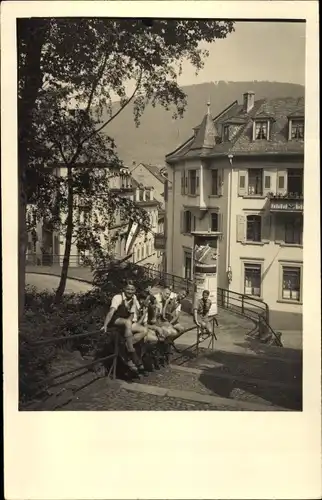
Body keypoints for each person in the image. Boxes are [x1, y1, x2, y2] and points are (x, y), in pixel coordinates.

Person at [101, 281, 147, 373]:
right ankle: (131, 351)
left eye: (132, 289)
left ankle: (128, 344)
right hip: (116, 320)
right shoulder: (118, 297)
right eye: (128, 289)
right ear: (124, 289)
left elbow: (132, 314)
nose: (130, 291)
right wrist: (105, 325)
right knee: (127, 323)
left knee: (144, 330)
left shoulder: (134, 299)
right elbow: (111, 312)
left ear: (135, 290)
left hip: (126, 322)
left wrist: (129, 324)